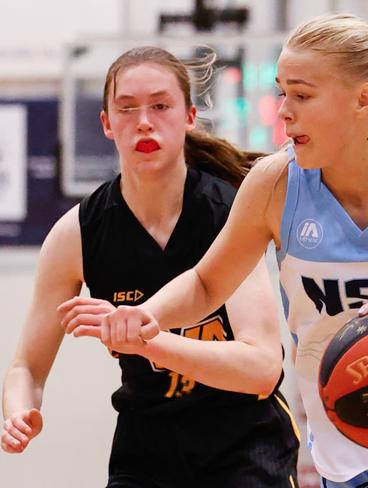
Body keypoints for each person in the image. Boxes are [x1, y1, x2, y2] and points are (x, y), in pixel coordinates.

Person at [60, 11, 368, 488]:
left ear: (363, 100)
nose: (283, 112)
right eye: (282, 94)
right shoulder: (276, 184)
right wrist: (146, 316)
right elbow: (207, 282)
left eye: (301, 96)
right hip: (346, 426)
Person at [1, 46, 299, 488]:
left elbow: (260, 371)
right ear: (106, 123)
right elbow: (27, 365)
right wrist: (20, 410)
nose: (143, 121)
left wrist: (148, 340)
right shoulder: (78, 233)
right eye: (126, 108)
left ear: (189, 116)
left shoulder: (229, 214)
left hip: (243, 445)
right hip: (147, 447)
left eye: (160, 106)